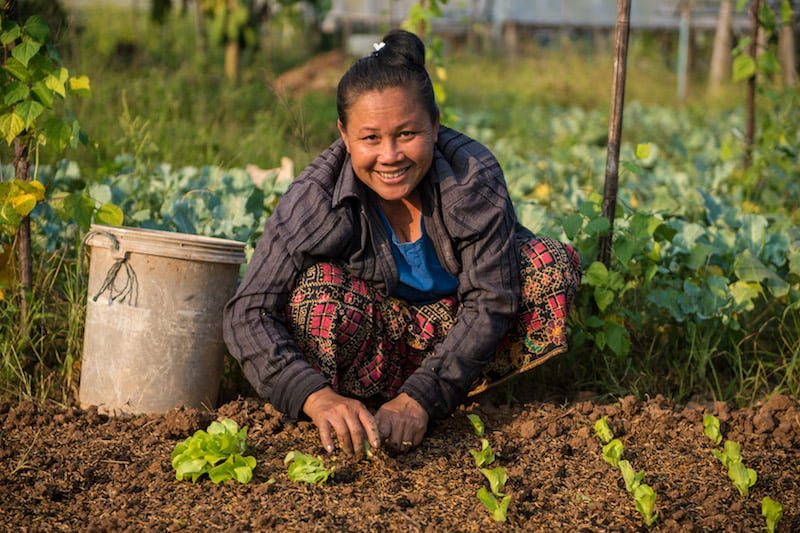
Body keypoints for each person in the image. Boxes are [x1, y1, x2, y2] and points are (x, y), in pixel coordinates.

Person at [223, 29, 581, 458]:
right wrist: (315, 397)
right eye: (370, 138)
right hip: (377, 333)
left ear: (434, 123)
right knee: (312, 295)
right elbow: (247, 310)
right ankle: (352, 406)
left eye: (407, 133)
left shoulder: (472, 178)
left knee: (549, 266)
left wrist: (422, 397)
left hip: (461, 331)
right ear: (344, 134)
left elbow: (492, 300)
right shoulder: (317, 196)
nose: (390, 155)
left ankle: (455, 392)